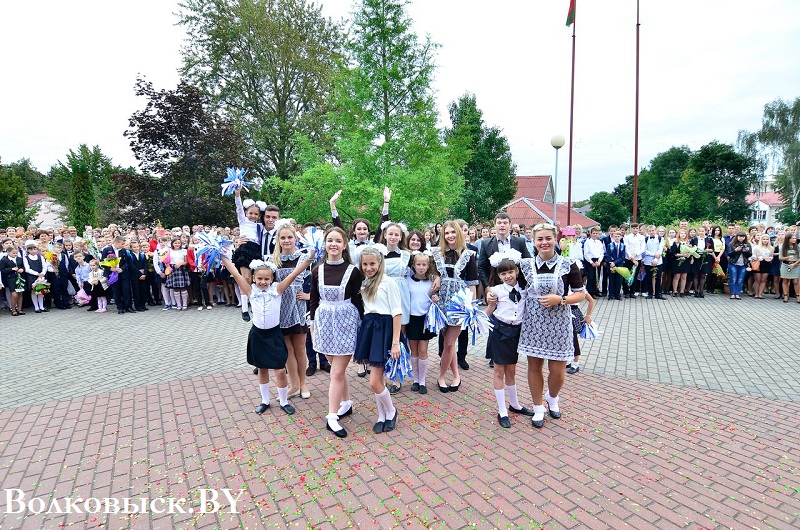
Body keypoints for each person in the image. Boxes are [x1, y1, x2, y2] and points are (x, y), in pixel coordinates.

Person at [221, 248, 314, 417]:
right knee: (262, 369)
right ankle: (264, 400)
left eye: (266, 279)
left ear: (272, 279)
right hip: (258, 335)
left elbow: (294, 274)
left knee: (279, 369)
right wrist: (222, 257)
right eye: (259, 279)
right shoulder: (251, 291)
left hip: (274, 334)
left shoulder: (277, 290)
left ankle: (284, 401)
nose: (263, 282)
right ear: (254, 278)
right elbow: (235, 273)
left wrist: (309, 259)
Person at [518, 223, 585, 428]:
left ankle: (552, 397)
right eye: (540, 239)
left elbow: (581, 294)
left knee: (558, 372)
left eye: (548, 238)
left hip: (560, 322)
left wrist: (561, 299)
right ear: (534, 242)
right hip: (534, 322)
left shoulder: (569, 264)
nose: (544, 242)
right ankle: (538, 407)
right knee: (534, 366)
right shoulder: (525, 265)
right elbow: (518, 291)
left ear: (555, 239)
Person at [309, 226, 365, 439]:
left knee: (337, 372)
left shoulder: (353, 271)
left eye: (337, 241)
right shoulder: (317, 270)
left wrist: (363, 327)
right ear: (325, 244)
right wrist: (313, 325)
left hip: (346, 322)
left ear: (344, 245)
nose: (333, 244)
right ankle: (346, 402)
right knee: (335, 368)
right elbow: (314, 300)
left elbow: (359, 301)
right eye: (329, 240)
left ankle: (332, 416)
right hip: (324, 322)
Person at [353, 247, 402, 434]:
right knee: (378, 378)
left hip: (385, 329)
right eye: (365, 264)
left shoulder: (388, 282)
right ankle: (381, 415)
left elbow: (397, 312)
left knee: (374, 381)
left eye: (372, 263)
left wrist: (395, 341)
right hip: (370, 328)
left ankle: (391, 411)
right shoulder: (365, 283)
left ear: (380, 263)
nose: (368, 267)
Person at [484, 253, 534, 429]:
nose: (508, 276)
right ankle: (502, 410)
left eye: (511, 272)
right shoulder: (496, 291)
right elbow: (489, 310)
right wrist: (478, 317)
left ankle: (515, 404)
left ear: (517, 271)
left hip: (516, 333)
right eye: (503, 274)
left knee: (511, 370)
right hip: (499, 331)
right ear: (499, 276)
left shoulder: (525, 289)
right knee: (499, 371)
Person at [431, 221, 479, 393]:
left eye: (453, 232)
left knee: (450, 343)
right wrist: (435, 276)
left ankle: (441, 376)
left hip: (458, 302)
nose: (450, 235)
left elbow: (473, 284)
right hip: (441, 300)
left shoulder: (468, 255)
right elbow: (430, 272)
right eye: (447, 233)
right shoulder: (437, 253)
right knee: (447, 343)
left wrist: (472, 308)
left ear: (459, 233)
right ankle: (456, 376)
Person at [270, 220, 313, 399]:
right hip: (280, 308)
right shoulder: (273, 260)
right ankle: (293, 384)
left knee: (300, 348)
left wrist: (309, 296)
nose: (287, 240)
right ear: (278, 240)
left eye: (290, 237)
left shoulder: (304, 257)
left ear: (296, 238)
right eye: (283, 237)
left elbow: (316, 279)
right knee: (287, 348)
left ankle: (303, 384)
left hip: (298, 307)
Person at [405, 251, 439, 395]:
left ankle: (423, 381)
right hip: (412, 318)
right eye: (418, 264)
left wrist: (435, 298)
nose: (421, 267)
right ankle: (416, 380)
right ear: (413, 265)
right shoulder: (408, 280)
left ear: (428, 266)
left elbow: (433, 297)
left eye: (424, 264)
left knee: (423, 350)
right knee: (414, 350)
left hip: (425, 319)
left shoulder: (432, 282)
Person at [567, 292, 594, 374]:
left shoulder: (579, 288)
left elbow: (591, 300)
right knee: (565, 339)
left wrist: (588, 315)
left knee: (573, 338)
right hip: (563, 312)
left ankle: (575, 363)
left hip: (573, 313)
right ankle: (568, 360)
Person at [165, 237, 190, 311]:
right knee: (175, 288)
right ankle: (178, 305)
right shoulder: (169, 251)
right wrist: (168, 267)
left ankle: (184, 304)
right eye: (175, 243)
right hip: (173, 269)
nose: (177, 244)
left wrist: (181, 263)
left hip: (181, 269)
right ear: (172, 244)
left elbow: (186, 262)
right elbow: (166, 261)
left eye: (179, 243)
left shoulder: (184, 251)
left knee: (183, 287)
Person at [726, 232, 752, 300]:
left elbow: (750, 254)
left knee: (740, 280)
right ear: (737, 237)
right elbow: (729, 254)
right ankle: (732, 294)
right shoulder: (731, 244)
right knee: (733, 279)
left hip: (743, 264)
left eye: (743, 237)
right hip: (733, 264)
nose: (741, 238)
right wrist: (735, 250)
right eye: (740, 236)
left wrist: (746, 251)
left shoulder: (748, 244)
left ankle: (737, 294)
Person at [0, 246, 24, 315]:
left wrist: (22, 269)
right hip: (10, 278)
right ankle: (13, 309)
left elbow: (22, 266)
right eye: (13, 253)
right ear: (8, 252)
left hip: (19, 278)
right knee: (14, 294)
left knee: (20, 293)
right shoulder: (4, 260)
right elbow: (2, 270)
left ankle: (19, 309)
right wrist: (11, 269)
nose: (15, 254)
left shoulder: (19, 259)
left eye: (16, 253)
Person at [690, 226, 713, 298]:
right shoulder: (694, 239)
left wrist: (708, 250)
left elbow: (712, 249)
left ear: (706, 231)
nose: (701, 232)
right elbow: (691, 249)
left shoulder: (709, 239)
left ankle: (701, 291)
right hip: (697, 257)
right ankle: (696, 291)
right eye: (700, 231)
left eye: (703, 231)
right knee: (696, 274)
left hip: (705, 257)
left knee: (703, 275)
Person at [605, 231, 626, 300]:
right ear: (613, 237)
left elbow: (623, 257)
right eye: (615, 236)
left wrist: (615, 262)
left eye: (618, 236)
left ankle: (617, 295)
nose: (617, 238)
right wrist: (612, 262)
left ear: (621, 237)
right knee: (611, 280)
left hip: (619, 265)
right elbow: (608, 255)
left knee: (619, 280)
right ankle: (611, 295)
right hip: (611, 265)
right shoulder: (610, 245)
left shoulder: (623, 246)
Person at [670, 229, 691, 297]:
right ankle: (675, 291)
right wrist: (682, 255)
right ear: (679, 234)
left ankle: (682, 291)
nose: (683, 235)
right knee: (677, 276)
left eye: (684, 233)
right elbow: (674, 253)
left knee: (684, 276)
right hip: (677, 261)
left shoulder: (688, 242)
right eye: (681, 233)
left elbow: (691, 251)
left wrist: (689, 254)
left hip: (686, 261)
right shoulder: (675, 242)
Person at [779, 232, 800, 303]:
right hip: (786, 265)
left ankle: (797, 295)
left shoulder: (798, 247)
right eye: (793, 238)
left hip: (796, 265)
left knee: (796, 281)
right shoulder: (783, 247)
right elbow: (780, 258)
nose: (794, 240)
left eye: (795, 238)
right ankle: (785, 295)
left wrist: (794, 264)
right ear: (788, 239)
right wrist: (787, 257)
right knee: (785, 280)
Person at [751, 234, 773, 299]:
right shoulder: (756, 247)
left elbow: (771, 256)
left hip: (766, 264)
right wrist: (762, 257)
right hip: (758, 263)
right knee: (757, 279)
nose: (765, 241)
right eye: (764, 239)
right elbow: (753, 256)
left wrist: (769, 258)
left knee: (763, 280)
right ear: (761, 240)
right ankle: (756, 294)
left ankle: (760, 294)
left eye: (767, 239)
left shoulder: (771, 248)